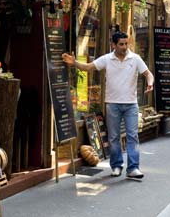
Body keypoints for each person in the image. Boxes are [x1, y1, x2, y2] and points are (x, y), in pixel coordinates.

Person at [62, 31, 154, 179]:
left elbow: (148, 74)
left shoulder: (135, 58)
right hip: (112, 103)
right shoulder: (107, 59)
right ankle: (116, 166)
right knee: (113, 137)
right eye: (121, 44)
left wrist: (150, 83)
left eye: (126, 44)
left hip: (131, 104)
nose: (125, 47)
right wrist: (74, 63)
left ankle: (133, 168)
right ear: (114, 45)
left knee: (132, 136)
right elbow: (88, 67)